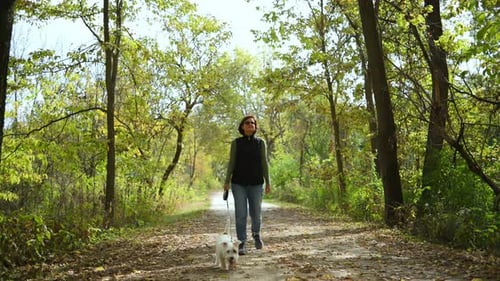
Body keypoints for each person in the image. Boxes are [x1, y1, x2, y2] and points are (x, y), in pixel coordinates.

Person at [224, 115, 271, 255]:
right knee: (241, 214)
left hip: (257, 183)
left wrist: (268, 182)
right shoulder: (236, 143)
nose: (250, 124)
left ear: (255, 127)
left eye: (253, 123)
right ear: (242, 126)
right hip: (238, 183)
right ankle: (242, 242)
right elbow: (231, 163)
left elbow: (264, 163)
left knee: (256, 213)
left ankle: (256, 234)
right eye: (247, 123)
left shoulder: (260, 143)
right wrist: (227, 181)